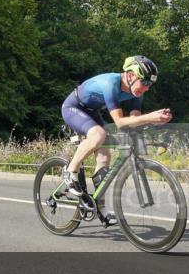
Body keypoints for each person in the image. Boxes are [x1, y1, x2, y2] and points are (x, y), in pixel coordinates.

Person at [60, 56, 172, 222]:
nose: (147, 88)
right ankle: (70, 172)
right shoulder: (110, 83)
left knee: (105, 156)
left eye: (150, 85)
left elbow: (134, 122)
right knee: (98, 135)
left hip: (92, 112)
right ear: (131, 75)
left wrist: (155, 129)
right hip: (73, 107)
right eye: (145, 83)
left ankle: (99, 204)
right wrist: (150, 117)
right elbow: (120, 122)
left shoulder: (137, 92)